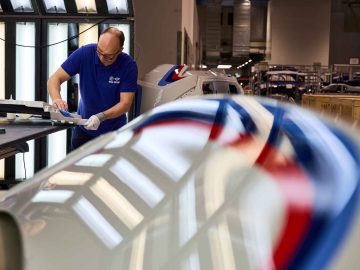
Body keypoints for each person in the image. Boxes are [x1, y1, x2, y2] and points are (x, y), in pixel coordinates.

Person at [48, 27, 138, 150]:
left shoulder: (128, 66)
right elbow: (54, 79)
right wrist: (56, 99)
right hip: (83, 131)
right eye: (99, 52)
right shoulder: (85, 53)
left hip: (113, 133)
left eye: (108, 57)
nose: (102, 58)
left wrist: (101, 116)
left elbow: (125, 104)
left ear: (120, 51)